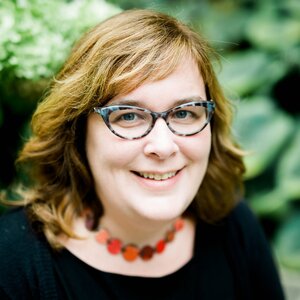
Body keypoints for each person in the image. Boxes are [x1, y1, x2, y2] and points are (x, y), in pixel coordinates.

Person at [0, 9, 285, 300]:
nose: (162, 146)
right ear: (78, 131)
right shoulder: (12, 262)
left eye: (185, 112)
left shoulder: (233, 225)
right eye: (128, 116)